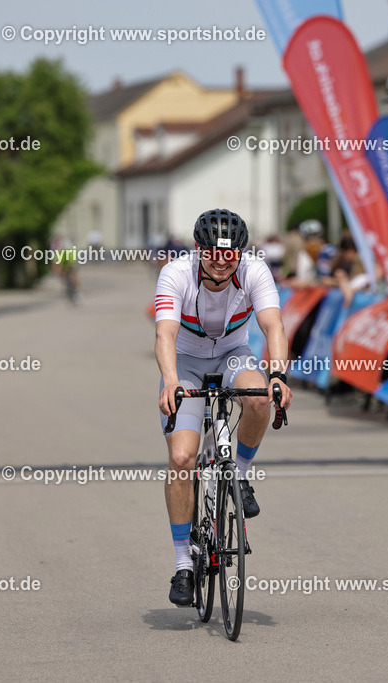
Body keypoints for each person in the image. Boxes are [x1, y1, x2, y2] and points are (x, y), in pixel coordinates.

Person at [155, 208, 293, 606]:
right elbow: (165, 332)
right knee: (182, 459)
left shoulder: (255, 271)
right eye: (212, 252)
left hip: (234, 354)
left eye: (229, 253)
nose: (220, 259)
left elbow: (273, 326)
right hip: (185, 363)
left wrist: (279, 375)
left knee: (259, 395)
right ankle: (183, 564)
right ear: (198, 250)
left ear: (241, 254)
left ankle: (242, 475)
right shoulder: (176, 273)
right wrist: (170, 381)